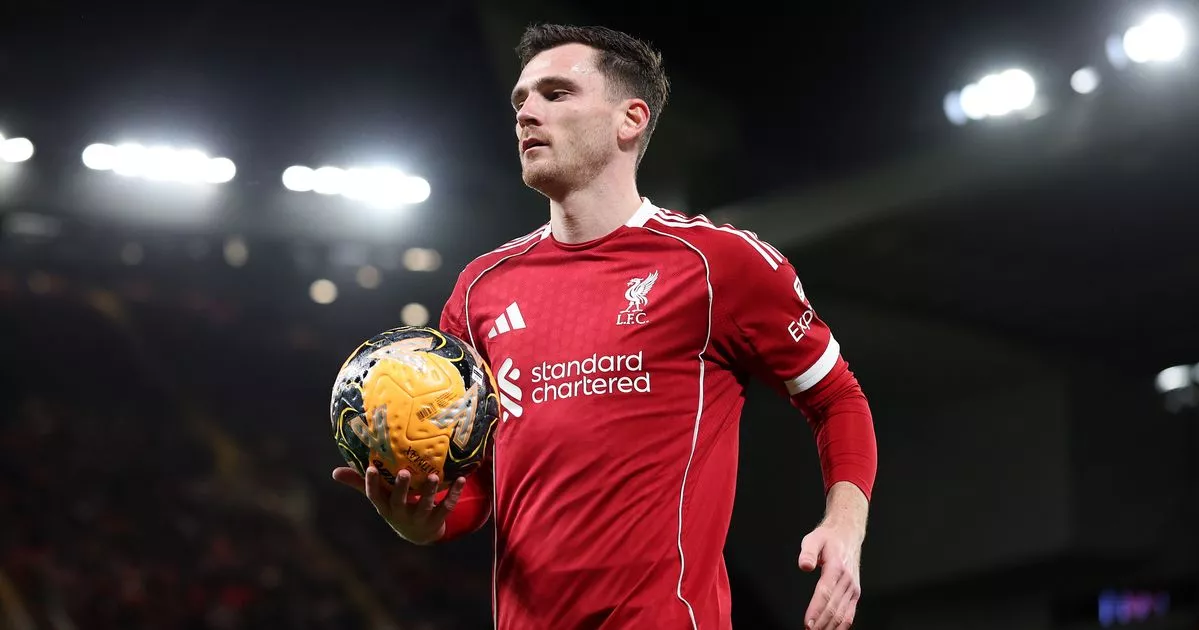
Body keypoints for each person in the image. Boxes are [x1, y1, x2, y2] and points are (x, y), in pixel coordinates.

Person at [333, 23, 878, 630]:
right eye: (520, 100)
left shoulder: (717, 264)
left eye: (555, 94)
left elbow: (836, 397)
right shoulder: (480, 289)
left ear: (630, 120)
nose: (526, 113)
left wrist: (844, 525)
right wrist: (426, 519)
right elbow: (480, 485)